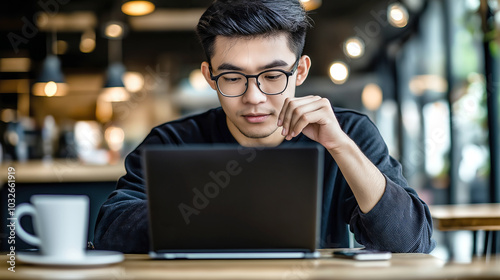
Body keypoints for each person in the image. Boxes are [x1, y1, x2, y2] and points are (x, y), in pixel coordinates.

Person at [94, 0, 436, 254]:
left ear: (300, 72)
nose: (254, 97)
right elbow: (111, 228)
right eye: (231, 77)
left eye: (272, 76)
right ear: (208, 77)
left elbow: (410, 241)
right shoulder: (172, 142)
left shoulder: (349, 135)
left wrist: (340, 148)